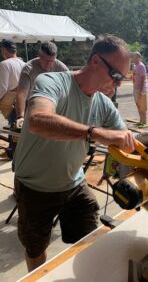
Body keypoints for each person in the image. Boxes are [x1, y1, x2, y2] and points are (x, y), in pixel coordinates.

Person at [13, 34, 137, 272]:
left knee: (89, 240)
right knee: (35, 247)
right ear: (96, 61)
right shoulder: (52, 82)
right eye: (116, 76)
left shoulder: (104, 103)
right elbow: (39, 121)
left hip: (73, 184)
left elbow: (126, 140)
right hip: (34, 186)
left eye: (123, 78)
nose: (119, 84)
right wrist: (95, 133)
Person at [15, 41, 68, 128]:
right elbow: (22, 94)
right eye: (46, 60)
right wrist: (20, 116)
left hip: (55, 104)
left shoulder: (61, 68)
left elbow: (69, 90)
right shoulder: (28, 68)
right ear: (39, 55)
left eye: (52, 61)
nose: (49, 64)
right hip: (32, 104)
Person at [0, 40, 25, 158]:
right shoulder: (23, 63)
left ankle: (13, 152)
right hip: (24, 100)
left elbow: (2, 87)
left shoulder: (5, 64)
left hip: (11, 100)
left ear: (4, 50)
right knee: (18, 126)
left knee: (12, 127)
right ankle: (15, 151)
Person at [132, 52, 148, 127]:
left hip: (141, 89)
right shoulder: (135, 66)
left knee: (142, 105)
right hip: (136, 88)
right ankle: (141, 121)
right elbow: (134, 75)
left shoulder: (141, 66)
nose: (133, 59)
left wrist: (141, 91)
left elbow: (143, 78)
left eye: (134, 57)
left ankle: (144, 122)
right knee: (138, 104)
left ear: (138, 58)